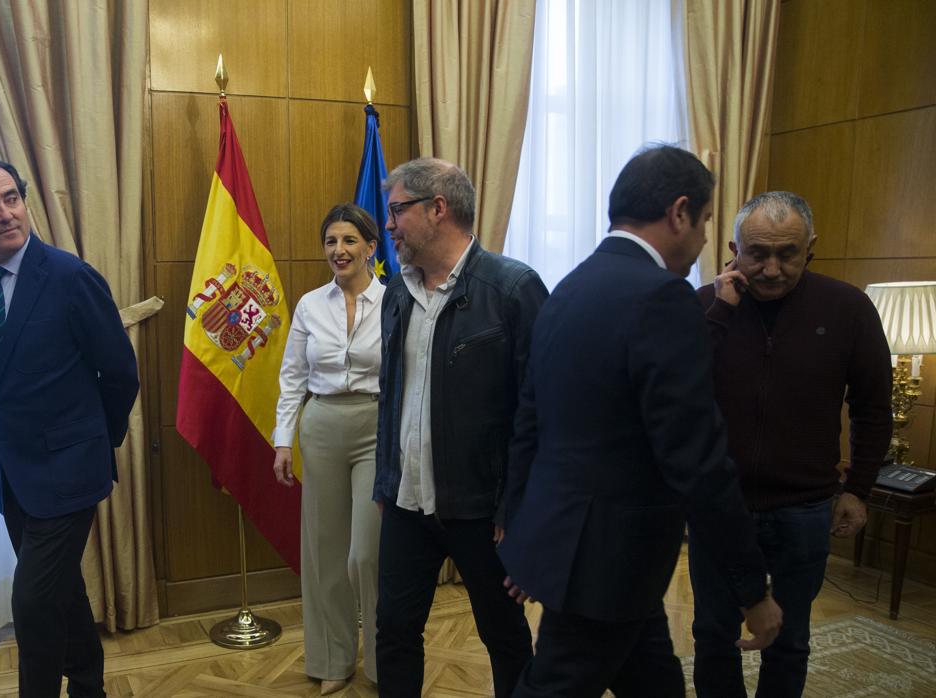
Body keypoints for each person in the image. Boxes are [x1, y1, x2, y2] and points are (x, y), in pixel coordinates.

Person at [498, 145, 783, 697]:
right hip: (611, 561)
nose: (704, 239)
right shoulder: (662, 298)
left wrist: (528, 536)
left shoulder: (569, 287)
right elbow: (696, 459)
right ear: (679, 212)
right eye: (703, 221)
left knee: (654, 681)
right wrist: (753, 590)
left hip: (591, 552)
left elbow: (529, 424)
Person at [0, 155, 139, 698]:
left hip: (70, 469)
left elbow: (120, 372)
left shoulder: (70, 277)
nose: (7, 213)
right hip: (11, 472)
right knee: (61, 590)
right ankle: (87, 686)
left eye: (12, 198)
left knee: (31, 601)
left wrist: (94, 441)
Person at [690, 191, 892, 697]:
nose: (773, 269)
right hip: (720, 506)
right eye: (758, 253)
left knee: (791, 638)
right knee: (713, 633)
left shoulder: (849, 308)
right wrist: (720, 312)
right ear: (734, 247)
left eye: (789, 253)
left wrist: (858, 489)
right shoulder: (703, 307)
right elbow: (683, 399)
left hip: (804, 509)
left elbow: (873, 406)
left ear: (811, 249)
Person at [372, 157, 547, 697]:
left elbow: (538, 412)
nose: (389, 224)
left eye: (398, 210)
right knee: (394, 631)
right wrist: (386, 478)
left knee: (504, 636)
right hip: (407, 501)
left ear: (437, 209)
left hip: (481, 508)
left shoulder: (513, 288)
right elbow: (392, 395)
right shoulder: (398, 292)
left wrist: (514, 507)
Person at [272, 203, 384, 695]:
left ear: (371, 248)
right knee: (324, 552)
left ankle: (385, 663)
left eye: (349, 241)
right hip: (320, 427)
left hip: (376, 427)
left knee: (366, 553)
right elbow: (293, 377)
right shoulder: (310, 305)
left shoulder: (395, 300)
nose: (339, 251)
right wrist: (282, 441)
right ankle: (332, 661)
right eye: (331, 242)